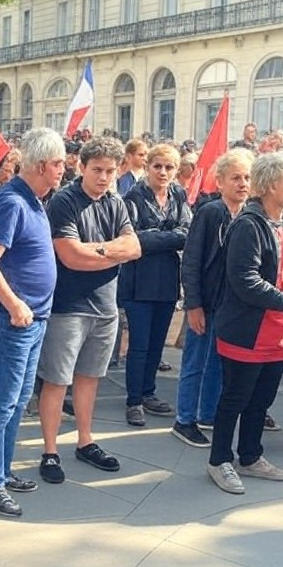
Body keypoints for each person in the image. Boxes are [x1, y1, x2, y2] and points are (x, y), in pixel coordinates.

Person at [207, 151, 283, 494]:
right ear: (269, 186)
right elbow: (244, 279)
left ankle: (251, 456)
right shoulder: (249, 225)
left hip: (279, 329)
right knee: (235, 398)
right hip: (248, 330)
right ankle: (219, 460)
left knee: (261, 400)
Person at [0, 127, 65, 517]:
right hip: (11, 319)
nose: (63, 170)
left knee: (18, 400)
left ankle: (2, 470)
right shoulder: (12, 202)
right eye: (59, 163)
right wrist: (13, 304)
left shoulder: (34, 201)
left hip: (32, 319)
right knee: (3, 401)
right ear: (42, 165)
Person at [36, 137, 140, 484]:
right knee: (56, 381)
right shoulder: (64, 201)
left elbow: (134, 247)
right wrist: (112, 252)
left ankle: (85, 440)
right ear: (81, 167)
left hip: (106, 305)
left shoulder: (116, 201)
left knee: (90, 378)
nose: (104, 177)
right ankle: (50, 451)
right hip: (69, 306)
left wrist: (97, 251)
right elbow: (70, 256)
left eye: (110, 171)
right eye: (97, 170)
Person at [172, 149, 254, 446]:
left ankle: (208, 413)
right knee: (195, 362)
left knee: (219, 363)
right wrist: (193, 304)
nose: (242, 184)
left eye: (247, 177)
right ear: (220, 182)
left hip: (231, 307)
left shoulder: (249, 215)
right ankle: (184, 419)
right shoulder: (210, 212)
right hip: (206, 302)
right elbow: (192, 260)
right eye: (235, 178)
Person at [120, 143, 192, 426]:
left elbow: (187, 233)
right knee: (139, 344)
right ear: (147, 167)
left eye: (169, 167)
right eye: (157, 166)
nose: (163, 172)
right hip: (139, 280)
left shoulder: (178, 194)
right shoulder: (133, 196)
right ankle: (134, 400)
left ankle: (148, 392)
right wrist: (169, 237)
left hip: (167, 279)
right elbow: (133, 238)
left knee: (156, 344)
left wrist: (155, 237)